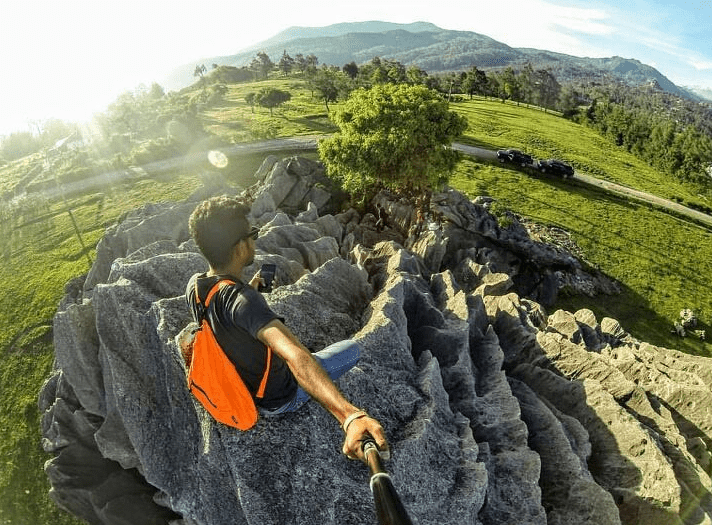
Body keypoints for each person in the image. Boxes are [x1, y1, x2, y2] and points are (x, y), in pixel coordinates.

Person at [186, 195, 388, 462]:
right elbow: (294, 355)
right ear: (240, 248)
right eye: (253, 234)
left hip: (241, 386)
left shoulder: (195, 286)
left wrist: (250, 290)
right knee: (351, 350)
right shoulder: (244, 302)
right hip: (277, 398)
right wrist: (349, 416)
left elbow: (226, 317)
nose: (255, 240)